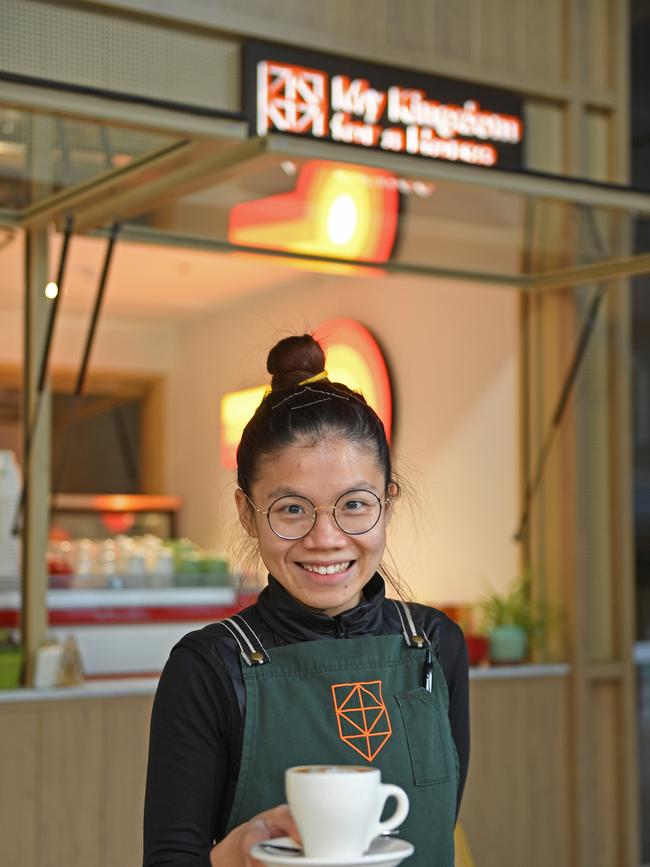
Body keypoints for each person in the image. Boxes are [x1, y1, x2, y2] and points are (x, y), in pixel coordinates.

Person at [143, 334, 469, 867]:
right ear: (248, 514)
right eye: (292, 509)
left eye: (355, 504)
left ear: (387, 504)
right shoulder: (207, 666)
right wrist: (233, 857)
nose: (326, 538)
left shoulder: (436, 645)